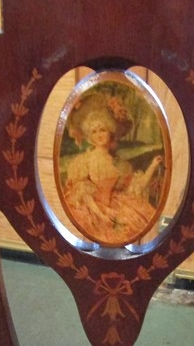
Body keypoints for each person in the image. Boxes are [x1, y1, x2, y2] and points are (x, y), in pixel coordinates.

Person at [62, 104, 163, 246]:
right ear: (90, 137)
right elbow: (84, 193)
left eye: (102, 130)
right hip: (93, 210)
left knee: (138, 222)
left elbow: (135, 187)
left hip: (116, 205)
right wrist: (102, 215)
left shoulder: (119, 163)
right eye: (94, 132)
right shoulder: (84, 161)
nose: (99, 135)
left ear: (110, 132)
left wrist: (153, 165)